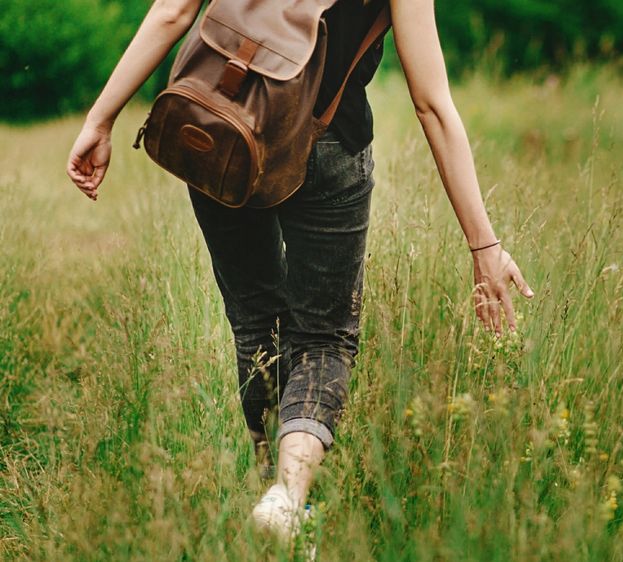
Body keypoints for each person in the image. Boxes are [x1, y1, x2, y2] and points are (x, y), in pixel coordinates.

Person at [66, 0, 533, 542]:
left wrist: (101, 120)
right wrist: (484, 246)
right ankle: (288, 496)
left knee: (255, 322)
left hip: (221, 123)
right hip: (328, 140)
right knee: (322, 339)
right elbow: (431, 103)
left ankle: (272, 493)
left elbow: (172, 12)